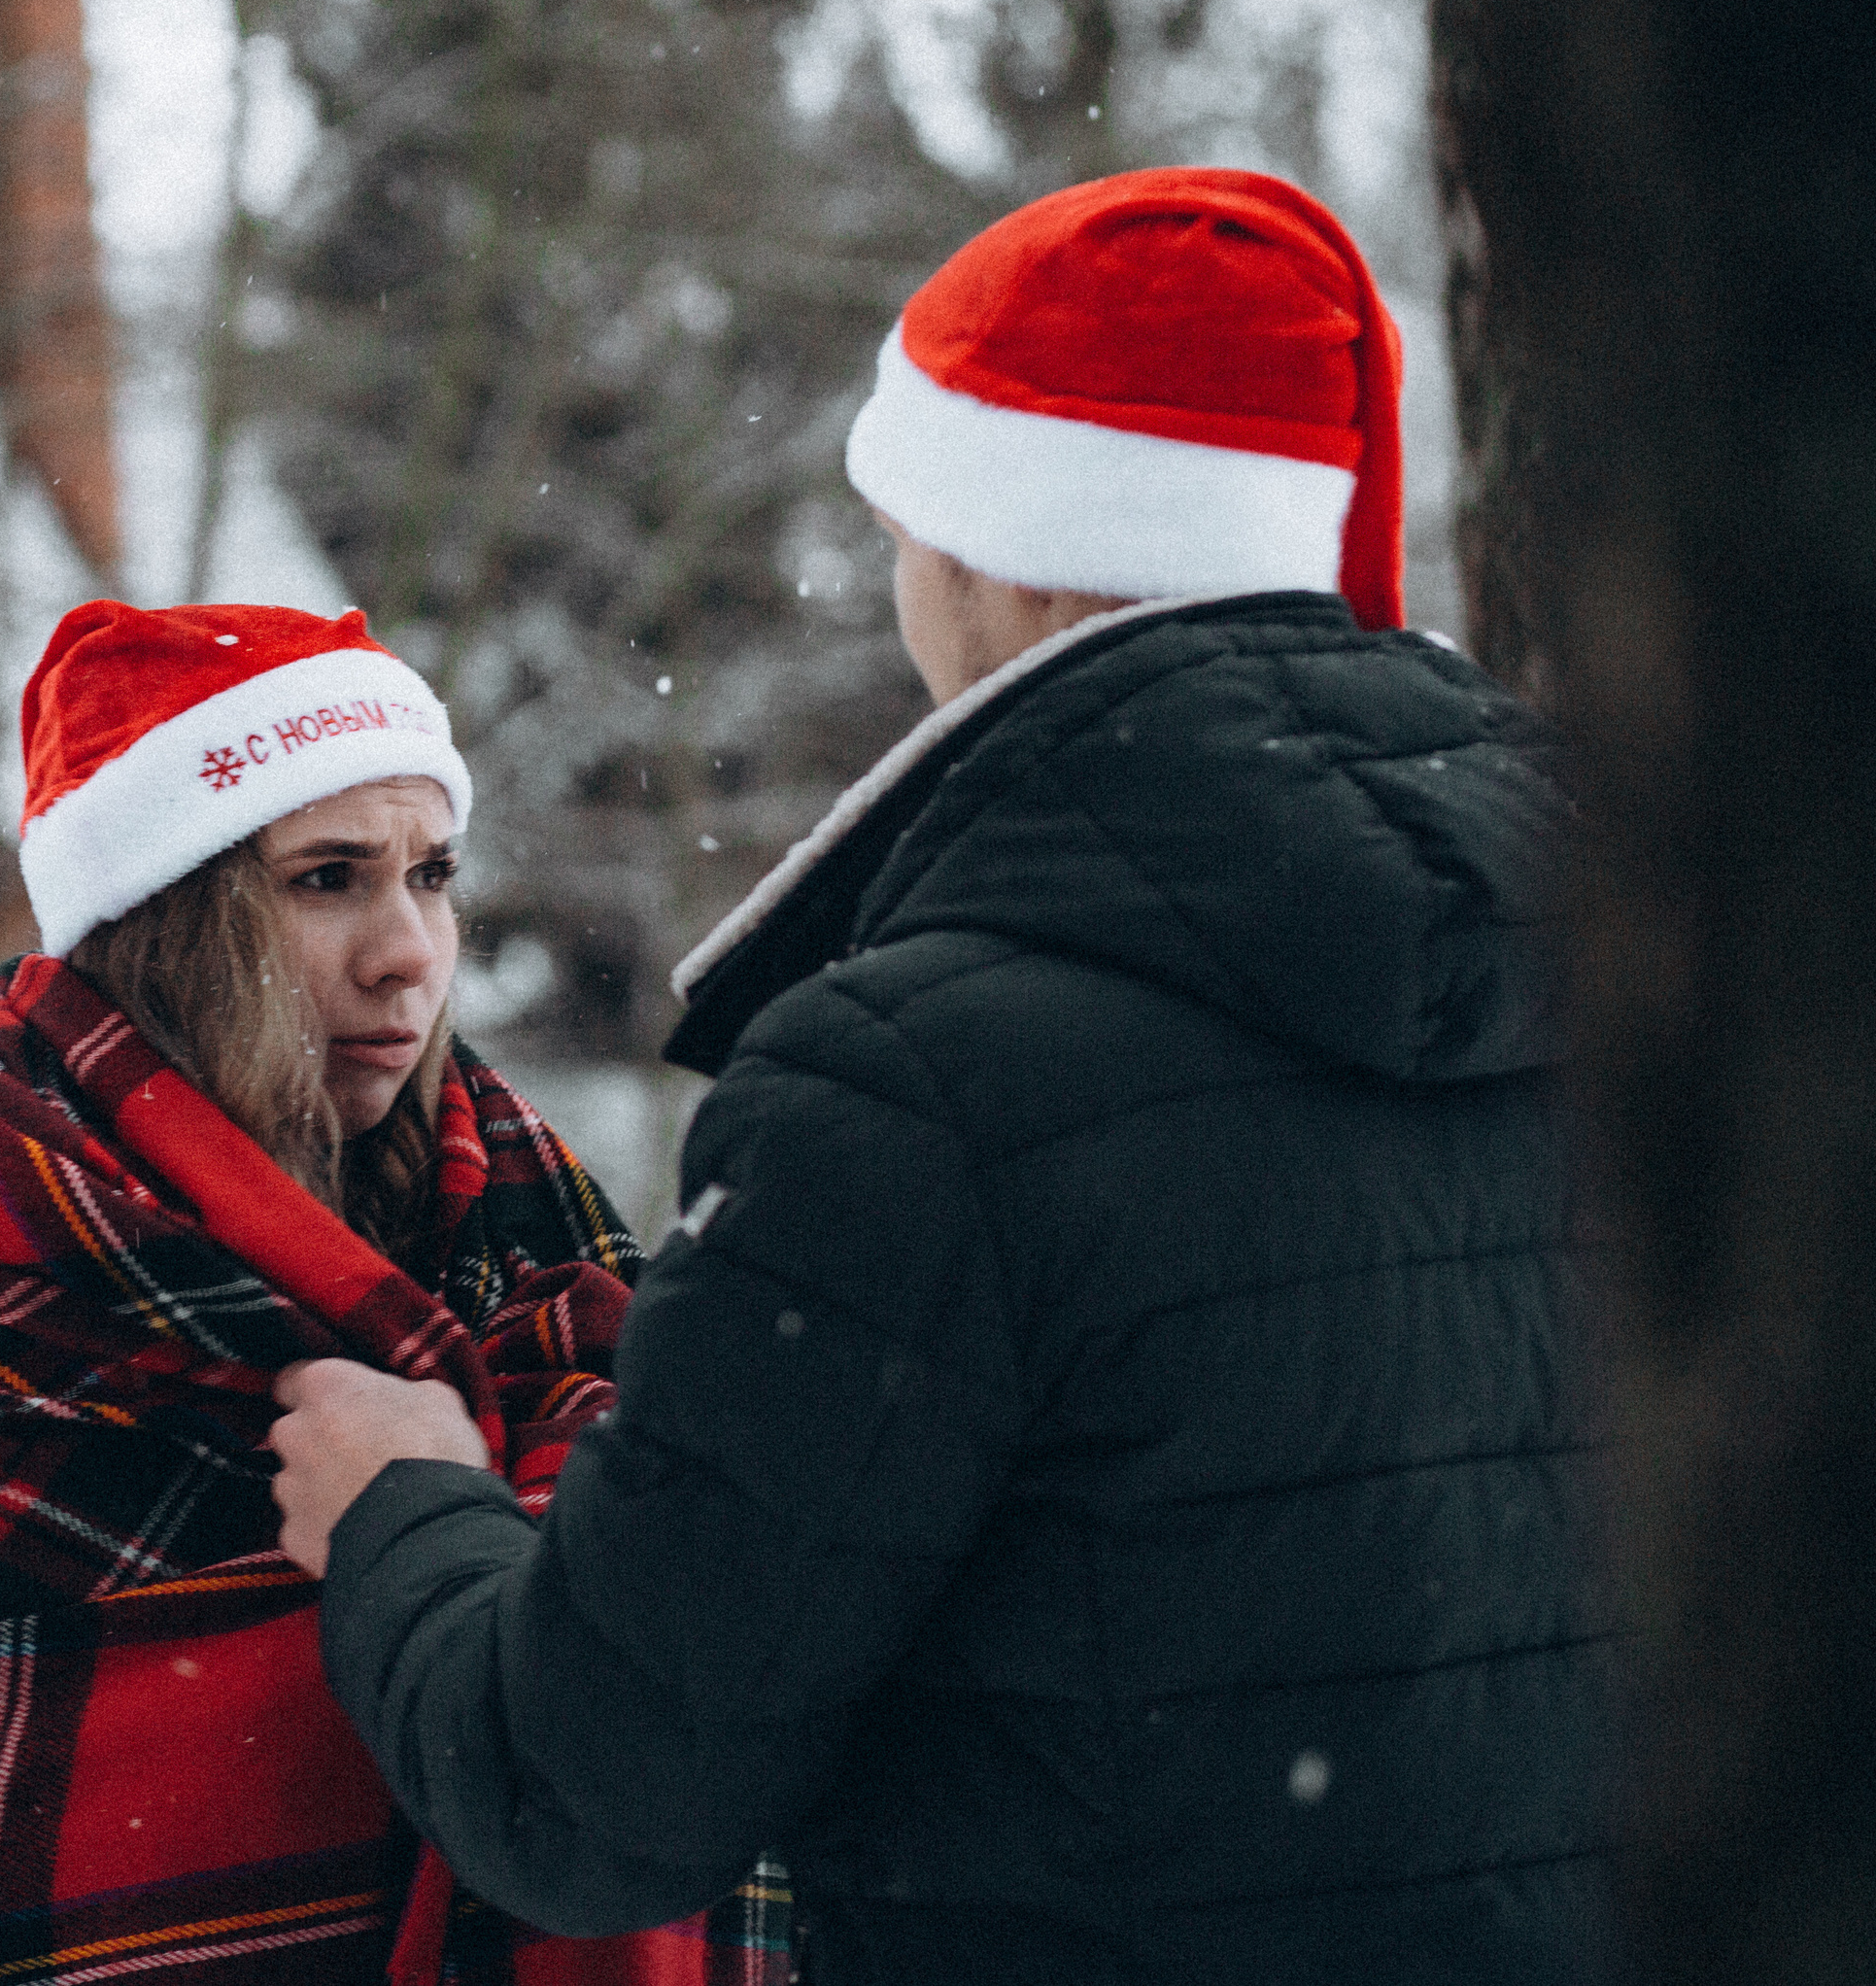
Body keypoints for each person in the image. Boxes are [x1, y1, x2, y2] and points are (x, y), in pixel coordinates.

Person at [268, 169, 1613, 1985]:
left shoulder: (908, 1093)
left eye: (904, 525)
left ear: (1000, 553)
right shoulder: (1648, 985)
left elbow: (588, 1794)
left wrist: (402, 1513)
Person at [0, 600, 784, 1986]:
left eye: (432, 874)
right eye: (327, 878)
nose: (408, 950)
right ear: (166, 925)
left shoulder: (543, 1255)